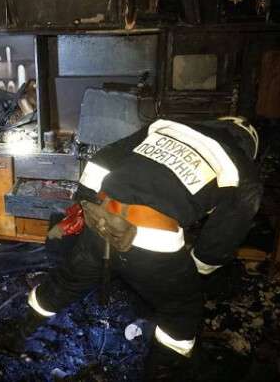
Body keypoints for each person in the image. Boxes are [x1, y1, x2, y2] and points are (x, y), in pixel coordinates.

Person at [14, 116, 262, 381]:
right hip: (154, 240)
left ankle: (20, 329)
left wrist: (86, 199)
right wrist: (197, 268)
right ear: (249, 148)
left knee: (68, 281)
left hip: (103, 219)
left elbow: (103, 158)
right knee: (181, 310)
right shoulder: (244, 173)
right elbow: (221, 239)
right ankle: (162, 371)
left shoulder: (166, 125)